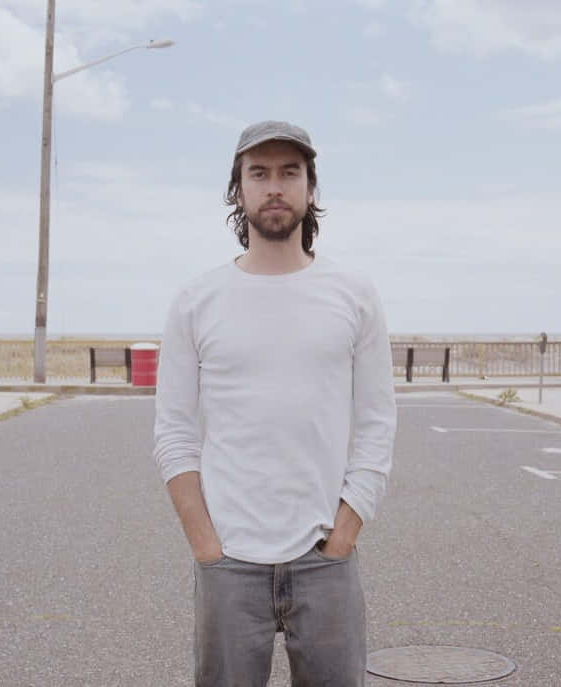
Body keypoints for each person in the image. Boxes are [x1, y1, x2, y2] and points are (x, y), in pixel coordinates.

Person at [153, 120, 397, 687]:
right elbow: (173, 433)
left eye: (290, 172)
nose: (275, 186)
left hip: (325, 560)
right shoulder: (197, 300)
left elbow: (377, 422)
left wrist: (344, 533)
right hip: (229, 564)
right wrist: (206, 547)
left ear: (311, 188)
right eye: (258, 173)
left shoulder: (354, 295)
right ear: (238, 190)